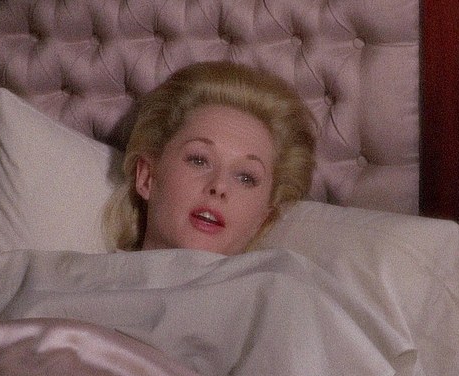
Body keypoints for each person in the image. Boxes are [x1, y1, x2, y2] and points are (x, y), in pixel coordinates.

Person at [102, 60, 317, 255]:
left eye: (246, 178)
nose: (219, 186)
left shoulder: (283, 283)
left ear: (263, 219)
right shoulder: (87, 277)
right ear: (146, 177)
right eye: (199, 160)